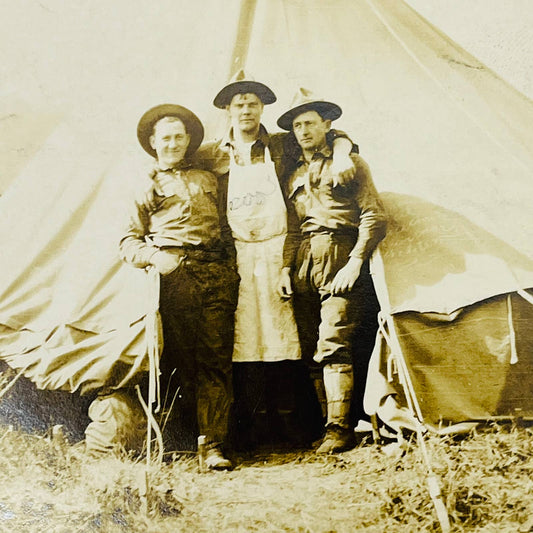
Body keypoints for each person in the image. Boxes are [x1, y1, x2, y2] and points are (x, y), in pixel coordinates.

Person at [178, 70, 358, 450]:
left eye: (253, 103)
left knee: (287, 333)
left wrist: (342, 149)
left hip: (279, 250)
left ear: (262, 109)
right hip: (238, 254)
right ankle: (249, 428)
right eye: (239, 103)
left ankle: (295, 426)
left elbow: (331, 136)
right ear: (227, 109)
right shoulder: (211, 153)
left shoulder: (282, 145)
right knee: (244, 336)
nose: (246, 109)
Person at [119, 104, 239, 469]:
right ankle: (182, 440)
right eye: (165, 138)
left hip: (215, 273)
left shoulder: (209, 179)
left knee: (216, 359)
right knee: (181, 359)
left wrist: (228, 266)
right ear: (154, 143)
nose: (172, 144)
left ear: (189, 141)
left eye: (178, 137)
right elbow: (127, 242)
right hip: (176, 275)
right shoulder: (146, 184)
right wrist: (158, 258)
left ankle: (213, 444)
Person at [277, 89, 387, 454]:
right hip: (305, 259)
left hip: (340, 253)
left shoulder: (351, 163)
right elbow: (295, 228)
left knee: (334, 342)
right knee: (311, 348)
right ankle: (326, 427)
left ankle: (340, 431)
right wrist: (285, 267)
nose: (304, 130)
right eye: (297, 125)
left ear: (327, 124)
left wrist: (356, 260)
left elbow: (374, 215)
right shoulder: (293, 172)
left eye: (310, 122)